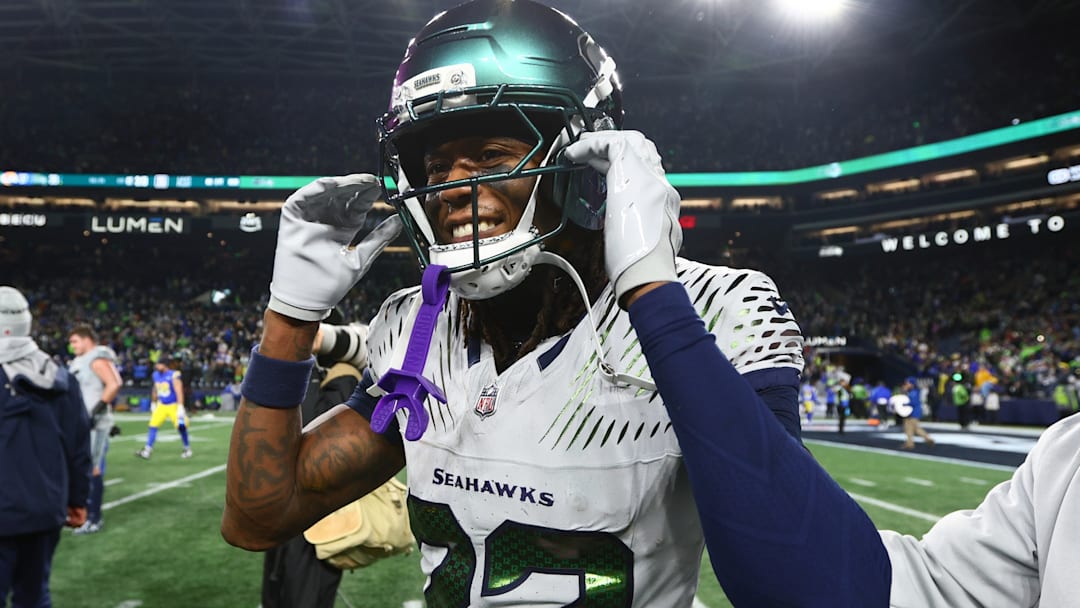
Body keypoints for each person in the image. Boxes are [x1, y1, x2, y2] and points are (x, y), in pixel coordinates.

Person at [222, 1, 891, 606]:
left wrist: (654, 299)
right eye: (435, 167)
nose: (451, 188)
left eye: (489, 153)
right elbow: (258, 517)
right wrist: (288, 318)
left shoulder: (719, 306)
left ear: (584, 160)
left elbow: (809, 586)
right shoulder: (415, 328)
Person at [0, 286, 92, 607]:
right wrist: (79, 499)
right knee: (35, 596)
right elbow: (79, 446)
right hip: (44, 510)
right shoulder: (60, 377)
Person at [67, 325, 123, 534]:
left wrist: (94, 413)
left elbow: (114, 383)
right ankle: (81, 514)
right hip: (81, 422)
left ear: (86, 339)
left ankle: (93, 518)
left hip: (93, 424)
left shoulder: (96, 358)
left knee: (93, 468)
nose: (72, 346)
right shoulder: (81, 360)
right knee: (80, 468)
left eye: (75, 341)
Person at [136, 355, 191, 459]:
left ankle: (187, 448)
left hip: (174, 405)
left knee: (182, 426)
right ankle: (147, 449)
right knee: (153, 425)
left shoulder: (174, 375)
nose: (157, 366)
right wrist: (153, 403)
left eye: (159, 364)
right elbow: (155, 389)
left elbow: (179, 391)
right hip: (162, 405)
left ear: (165, 365)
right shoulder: (155, 375)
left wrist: (180, 406)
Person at [895, 377, 935, 450]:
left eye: (907, 383)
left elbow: (913, 403)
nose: (906, 385)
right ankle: (910, 443)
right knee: (909, 428)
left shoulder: (914, 392)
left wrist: (904, 405)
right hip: (910, 412)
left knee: (914, 428)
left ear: (912, 384)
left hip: (913, 412)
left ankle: (926, 439)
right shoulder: (912, 392)